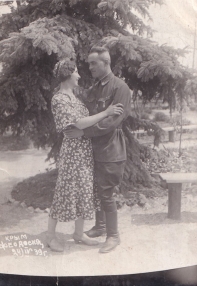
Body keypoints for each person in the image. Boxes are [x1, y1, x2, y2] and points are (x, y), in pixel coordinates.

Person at [46, 57, 124, 252]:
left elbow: (85, 121)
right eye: (76, 72)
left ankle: (79, 233)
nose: (79, 75)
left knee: (83, 191)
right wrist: (106, 113)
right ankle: (50, 236)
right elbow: (79, 123)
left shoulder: (74, 97)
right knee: (64, 191)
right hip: (72, 153)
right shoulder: (59, 99)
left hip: (84, 152)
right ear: (67, 75)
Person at [65, 47, 131, 253]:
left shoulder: (120, 87)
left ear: (106, 63)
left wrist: (83, 134)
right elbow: (86, 111)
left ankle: (113, 235)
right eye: (89, 63)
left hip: (111, 149)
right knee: (97, 190)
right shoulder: (95, 87)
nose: (89, 67)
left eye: (93, 63)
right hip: (93, 149)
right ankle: (101, 227)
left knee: (106, 192)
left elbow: (112, 122)